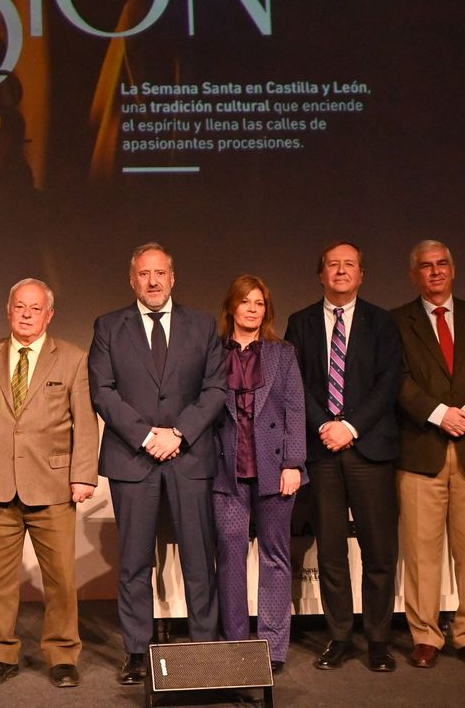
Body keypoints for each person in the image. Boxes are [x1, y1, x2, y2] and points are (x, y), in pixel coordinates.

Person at [89, 242, 227, 685]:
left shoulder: (203, 325)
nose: (153, 281)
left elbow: (215, 390)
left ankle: (204, 647)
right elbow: (103, 391)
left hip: (189, 456)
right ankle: (136, 650)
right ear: (132, 280)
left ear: (173, 278)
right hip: (134, 457)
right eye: (144, 274)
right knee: (133, 562)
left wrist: (179, 433)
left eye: (160, 273)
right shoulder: (108, 326)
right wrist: (148, 436)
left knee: (199, 560)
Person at [0, 278, 98, 689]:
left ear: (49, 315)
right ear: (8, 311)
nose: (26, 314)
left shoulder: (72, 358)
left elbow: (85, 423)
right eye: (20, 306)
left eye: (35, 308)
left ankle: (62, 655)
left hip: (53, 485)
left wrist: (83, 476)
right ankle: (0, 654)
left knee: (61, 580)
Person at [283, 241, 403, 673]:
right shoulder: (300, 322)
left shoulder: (382, 322)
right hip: (322, 451)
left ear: (361, 275)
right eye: (332, 265)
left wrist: (350, 427)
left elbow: (389, 382)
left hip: (369, 449)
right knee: (331, 551)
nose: (340, 271)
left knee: (378, 551)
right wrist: (324, 426)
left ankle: (378, 640)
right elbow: (294, 382)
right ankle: (340, 637)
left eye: (349, 264)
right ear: (321, 275)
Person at [393, 240, 465, 669]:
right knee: (421, 553)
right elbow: (397, 380)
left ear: (453, 269)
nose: (435, 271)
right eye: (426, 266)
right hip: (421, 450)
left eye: (442, 264)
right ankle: (426, 636)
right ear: (414, 275)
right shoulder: (396, 322)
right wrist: (440, 414)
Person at [210, 275, 306, 673]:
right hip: (226, 471)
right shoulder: (213, 353)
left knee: (275, 557)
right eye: (245, 301)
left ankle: (272, 647)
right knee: (231, 557)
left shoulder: (282, 353)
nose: (252, 309)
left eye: (259, 303)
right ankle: (235, 642)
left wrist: (293, 463)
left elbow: (296, 409)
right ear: (231, 306)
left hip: (275, 469)